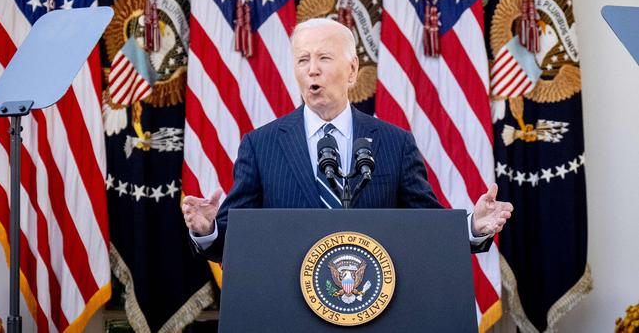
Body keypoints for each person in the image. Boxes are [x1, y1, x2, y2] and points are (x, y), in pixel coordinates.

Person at [182, 18, 513, 261]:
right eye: (303, 59)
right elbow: (234, 241)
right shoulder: (261, 145)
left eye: (324, 58)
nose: (312, 69)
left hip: (372, 309)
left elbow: (425, 226)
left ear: (352, 69)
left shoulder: (394, 143)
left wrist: (473, 227)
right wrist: (207, 229)